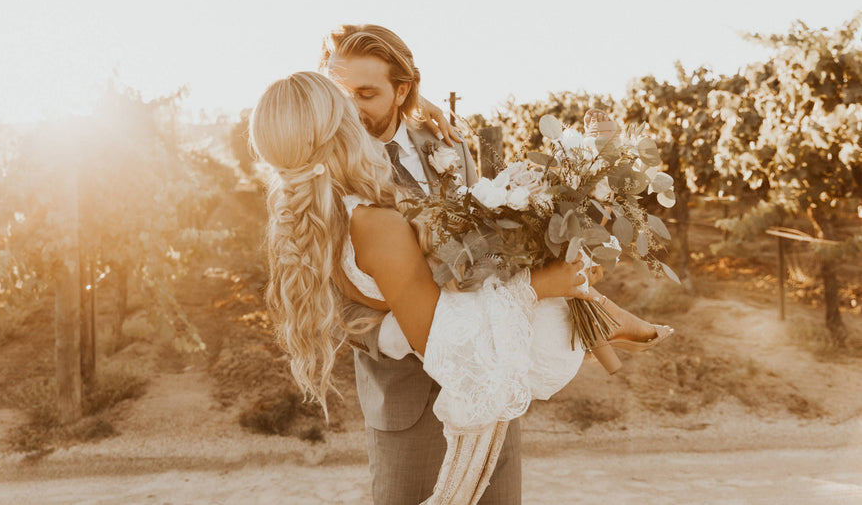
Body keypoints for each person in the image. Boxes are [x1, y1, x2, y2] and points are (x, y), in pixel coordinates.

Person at [250, 71, 673, 504]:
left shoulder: (325, 214)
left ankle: (601, 314)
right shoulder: (375, 225)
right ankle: (600, 318)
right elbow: (442, 338)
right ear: (340, 129)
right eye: (348, 110)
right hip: (447, 385)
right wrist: (536, 286)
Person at [317, 23, 521, 504]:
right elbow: (326, 290)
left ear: (402, 89)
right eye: (341, 94)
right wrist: (397, 336)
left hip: (488, 382)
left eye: (367, 94)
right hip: (404, 397)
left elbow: (486, 246)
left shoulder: (449, 145)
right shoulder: (321, 169)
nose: (350, 108)